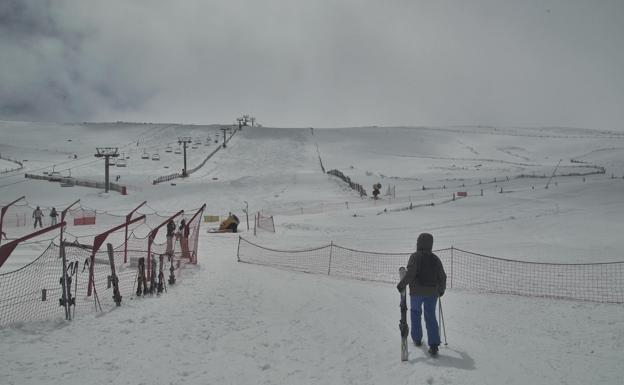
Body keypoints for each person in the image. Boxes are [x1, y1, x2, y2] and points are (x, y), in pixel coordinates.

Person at [396, 233, 447, 356]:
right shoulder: (435, 259)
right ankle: (434, 344)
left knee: (415, 313)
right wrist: (441, 289)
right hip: (432, 293)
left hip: (416, 292)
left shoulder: (415, 257)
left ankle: (417, 339)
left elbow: (411, 273)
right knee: (430, 316)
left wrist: (402, 284)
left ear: (418, 243)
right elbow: (442, 276)